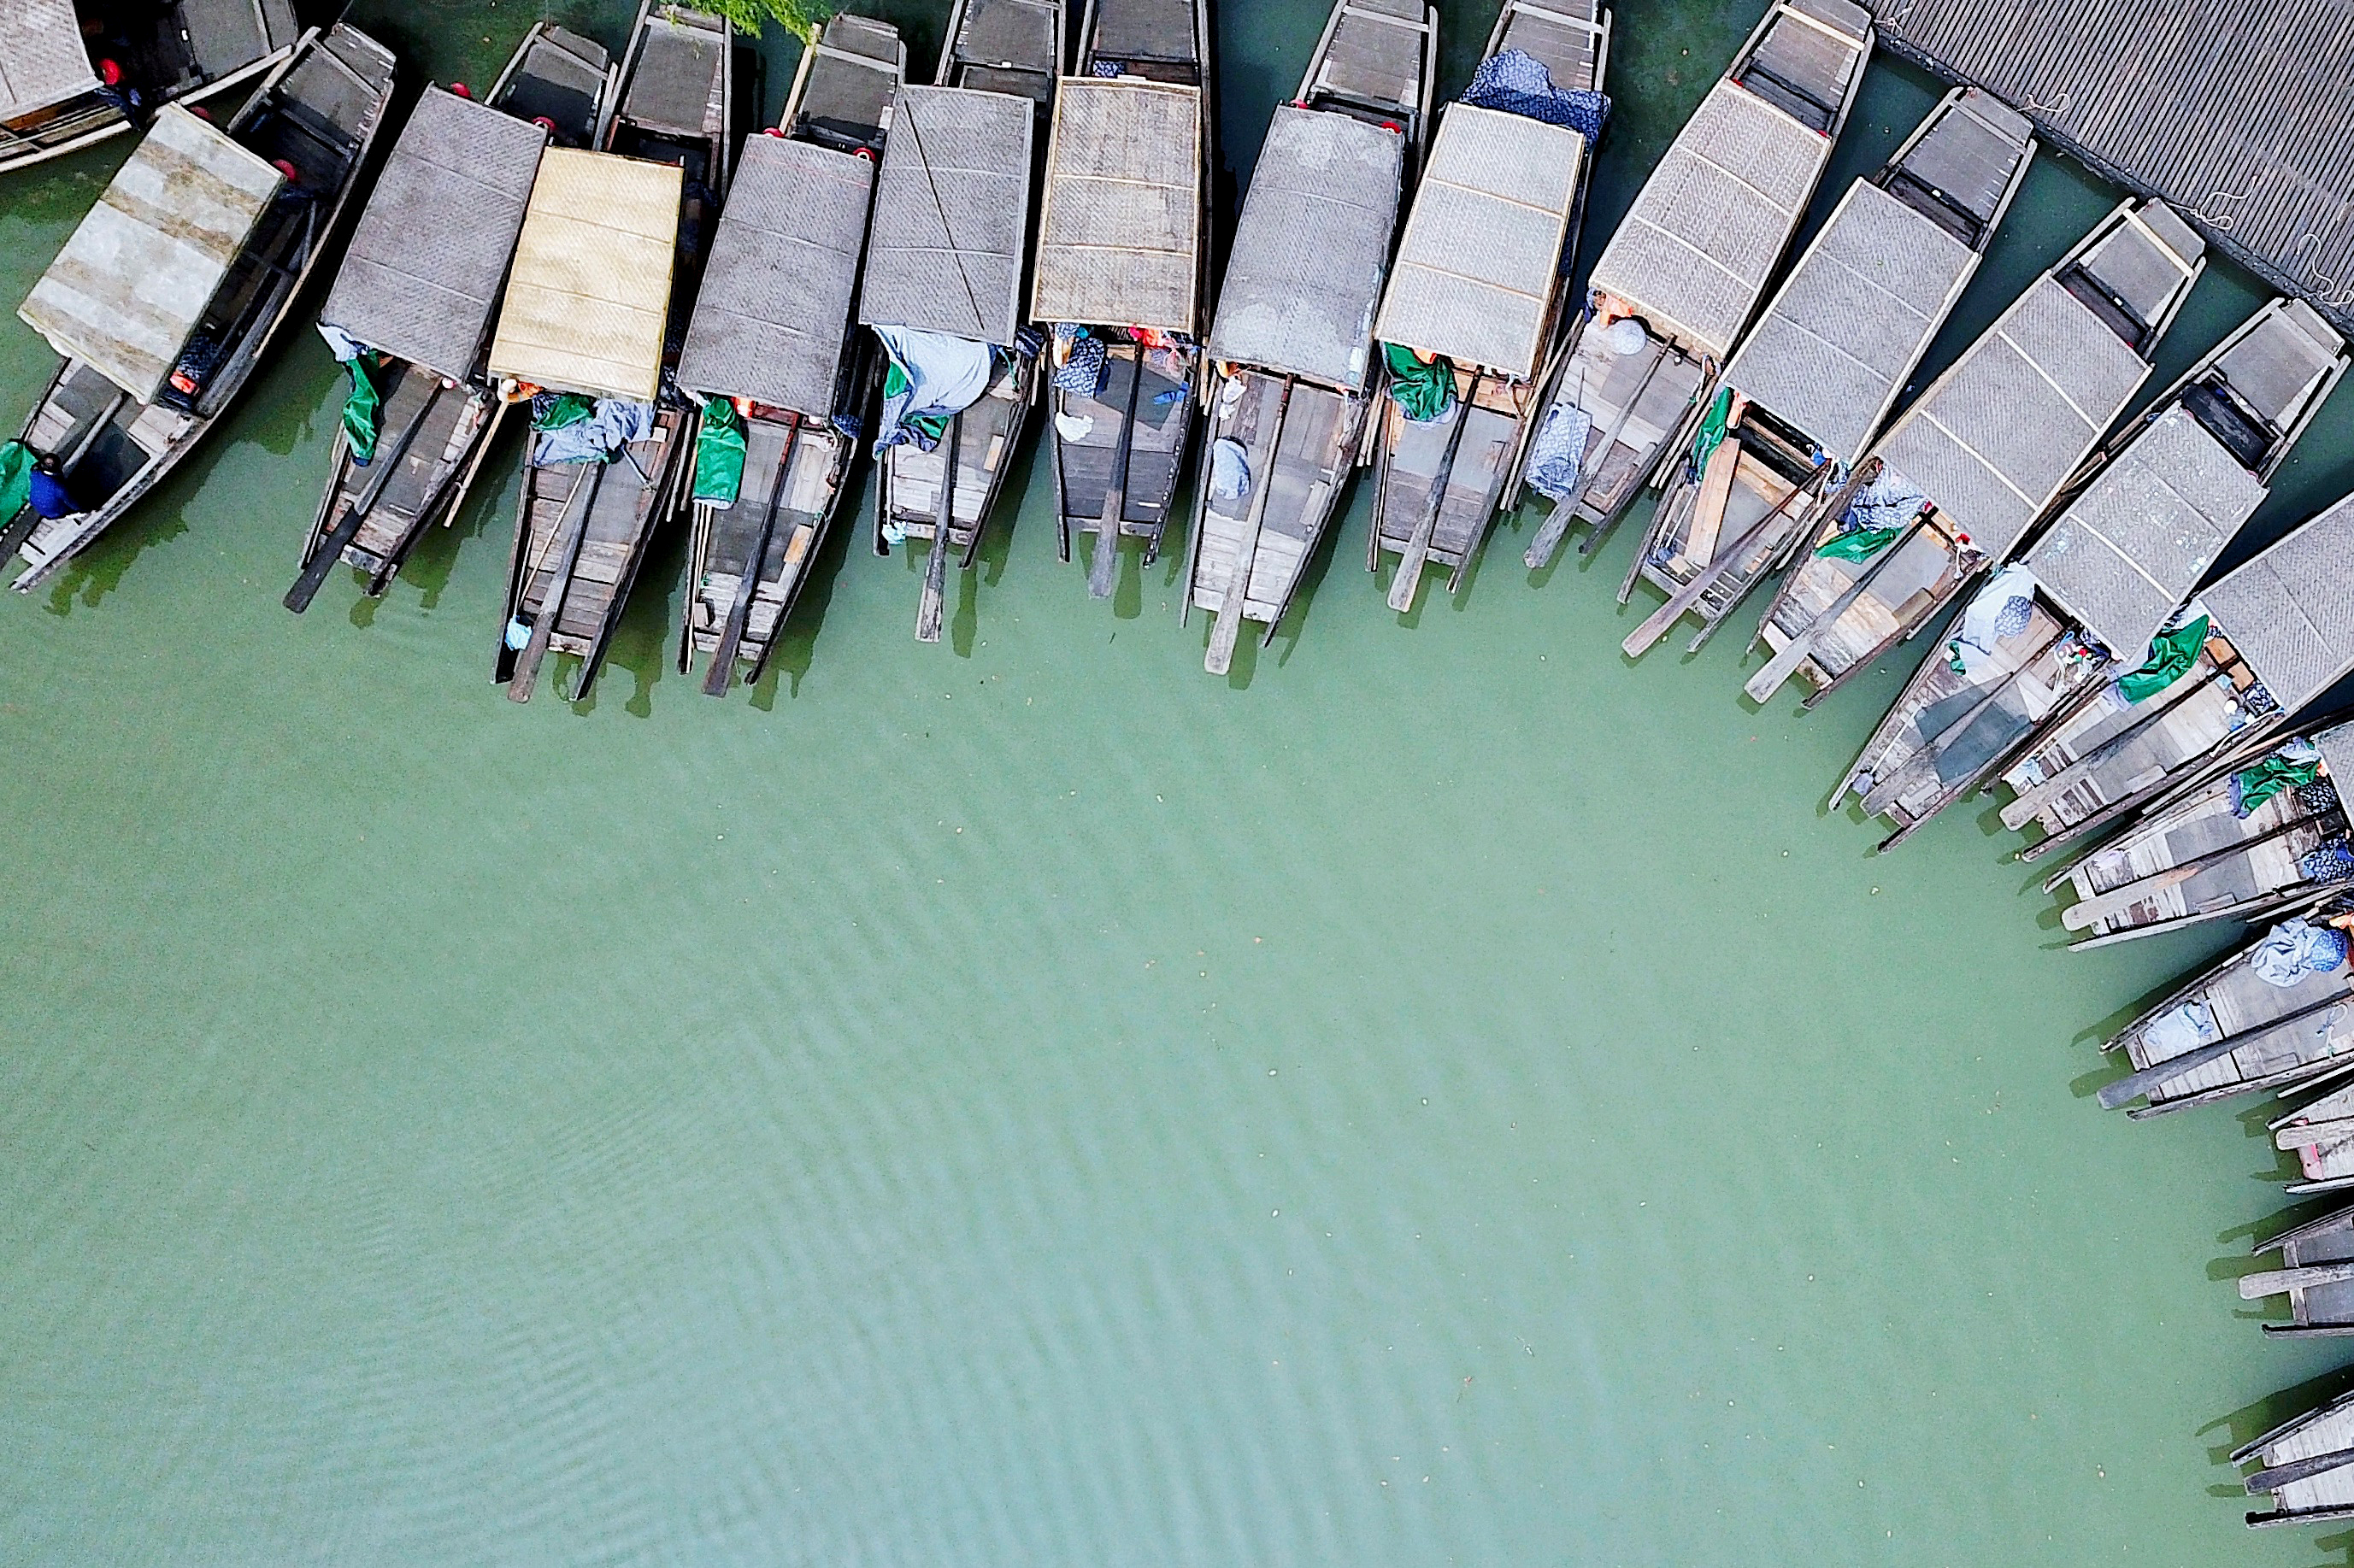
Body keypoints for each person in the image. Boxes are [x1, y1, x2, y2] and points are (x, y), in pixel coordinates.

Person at [26, 455, 77, 520]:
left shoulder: (34, 474)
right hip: (55, 513)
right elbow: (73, 504)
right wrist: (83, 510)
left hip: (38, 507)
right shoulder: (59, 488)